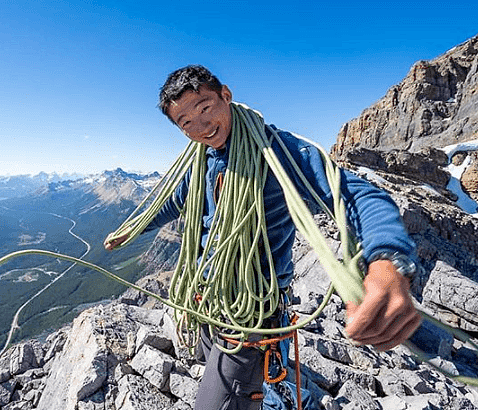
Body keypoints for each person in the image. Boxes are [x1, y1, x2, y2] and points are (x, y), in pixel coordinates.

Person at [105, 65, 421, 410]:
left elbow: (357, 195)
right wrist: (132, 229)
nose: (202, 127)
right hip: (208, 303)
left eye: (205, 107)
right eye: (186, 123)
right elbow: (175, 201)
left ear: (226, 95)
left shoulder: (278, 152)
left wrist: (388, 261)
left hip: (250, 318)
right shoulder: (202, 160)